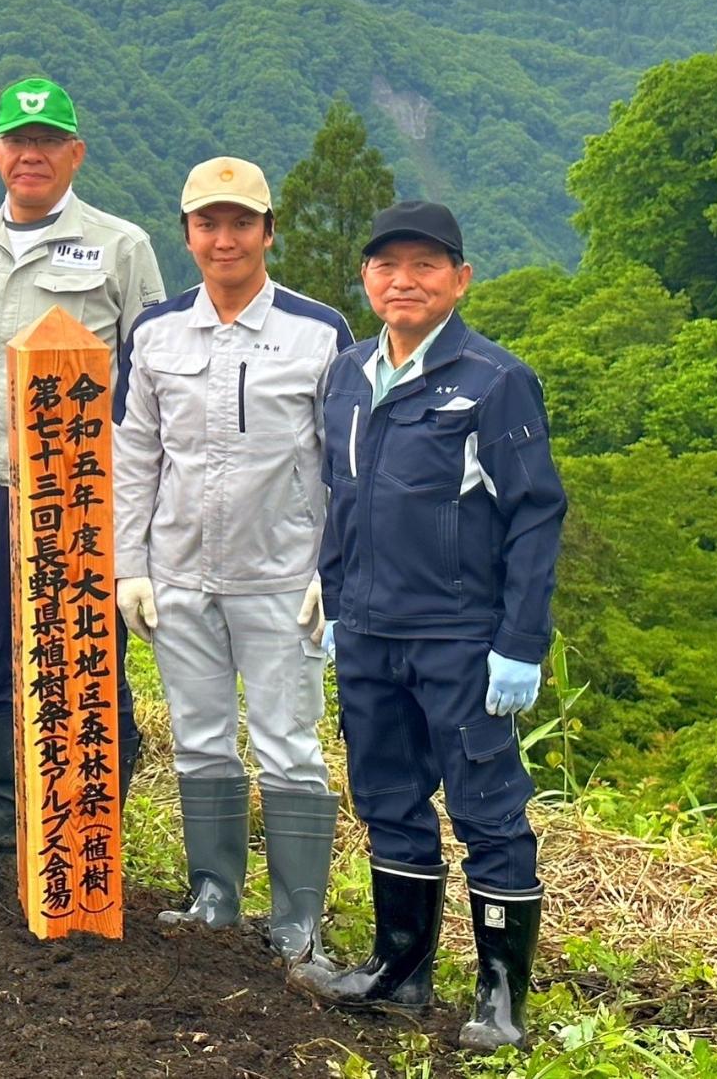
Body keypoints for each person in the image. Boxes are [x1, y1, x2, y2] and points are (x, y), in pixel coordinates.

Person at [289, 201, 565, 1053]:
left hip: (459, 636)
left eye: (424, 265)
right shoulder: (344, 375)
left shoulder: (493, 380)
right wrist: (335, 604)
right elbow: (343, 501)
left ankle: (499, 998)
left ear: (459, 279)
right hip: (369, 631)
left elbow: (534, 515)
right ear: (366, 278)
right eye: (386, 266)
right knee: (388, 800)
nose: (402, 280)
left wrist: (519, 644)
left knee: (487, 809)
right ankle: (399, 970)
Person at [0, 76, 166, 859]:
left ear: (75, 154)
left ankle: (93, 822)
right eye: (18, 144)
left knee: (88, 653)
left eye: (49, 143)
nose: (33, 156)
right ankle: (1, 810)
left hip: (82, 490)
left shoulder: (122, 246)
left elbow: (150, 372)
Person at [113, 157, 350, 961]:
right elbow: (135, 454)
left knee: (289, 744)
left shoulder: (318, 334)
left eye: (241, 223)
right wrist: (130, 566)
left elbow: (344, 465)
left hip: (283, 579)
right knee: (200, 738)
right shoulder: (155, 334)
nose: (225, 239)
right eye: (208, 224)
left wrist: (334, 570)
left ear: (268, 231)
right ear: (186, 235)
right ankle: (214, 895)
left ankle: (296, 920)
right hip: (180, 574)